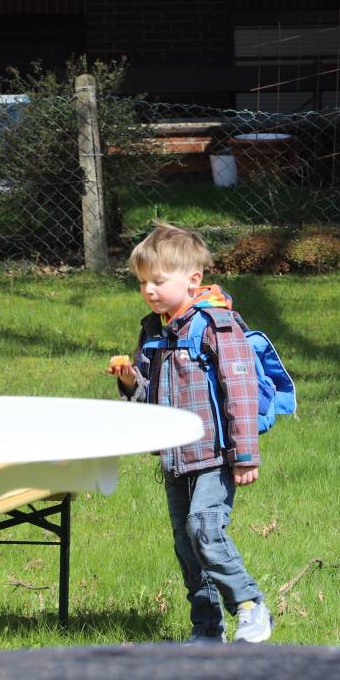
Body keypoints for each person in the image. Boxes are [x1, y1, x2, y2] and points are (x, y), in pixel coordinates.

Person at [107, 221, 273, 643]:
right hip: (174, 456)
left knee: (205, 528)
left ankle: (250, 605)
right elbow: (148, 397)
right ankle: (205, 628)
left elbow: (240, 390)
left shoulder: (217, 325)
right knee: (186, 543)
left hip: (215, 455)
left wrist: (245, 453)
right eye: (143, 282)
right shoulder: (154, 331)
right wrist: (128, 380)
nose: (149, 290)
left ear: (193, 279)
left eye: (158, 281)